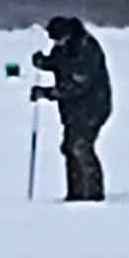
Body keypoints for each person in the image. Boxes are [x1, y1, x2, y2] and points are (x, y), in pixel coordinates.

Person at [31, 16, 112, 202]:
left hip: (93, 107)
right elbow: (58, 63)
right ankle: (76, 193)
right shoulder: (65, 46)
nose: (55, 43)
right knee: (69, 147)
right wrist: (43, 63)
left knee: (80, 146)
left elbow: (78, 84)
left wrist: (49, 92)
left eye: (57, 39)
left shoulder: (86, 48)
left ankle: (93, 193)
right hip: (73, 110)